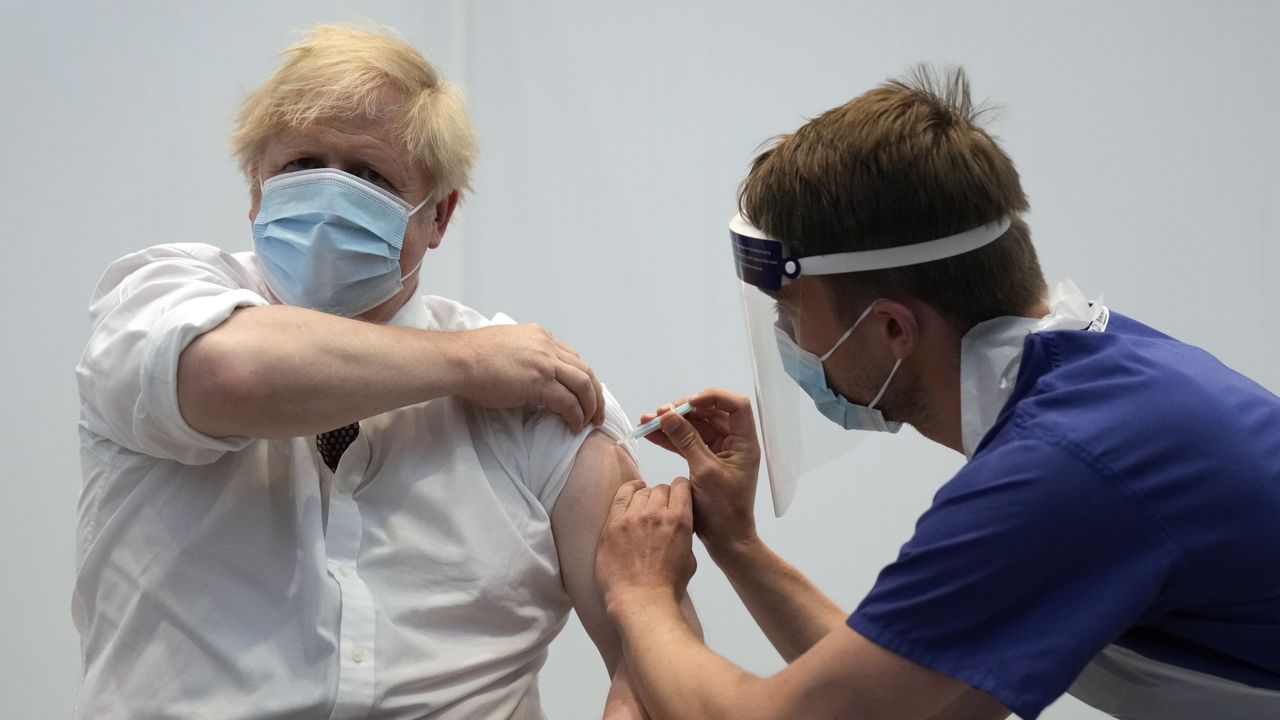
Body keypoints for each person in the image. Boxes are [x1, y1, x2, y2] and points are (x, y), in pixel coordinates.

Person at [594, 66, 1280, 719]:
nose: (786, 337)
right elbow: (922, 701)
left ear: (891, 326)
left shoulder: (1067, 470)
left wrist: (639, 590)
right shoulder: (1104, 384)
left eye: (792, 312)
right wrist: (738, 544)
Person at [73, 24, 678, 720]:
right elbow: (229, 377)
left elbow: (650, 646)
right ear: (255, 192)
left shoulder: (530, 387)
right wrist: (464, 366)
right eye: (301, 164)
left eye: (369, 177)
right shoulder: (158, 300)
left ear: (440, 216)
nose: (328, 197)